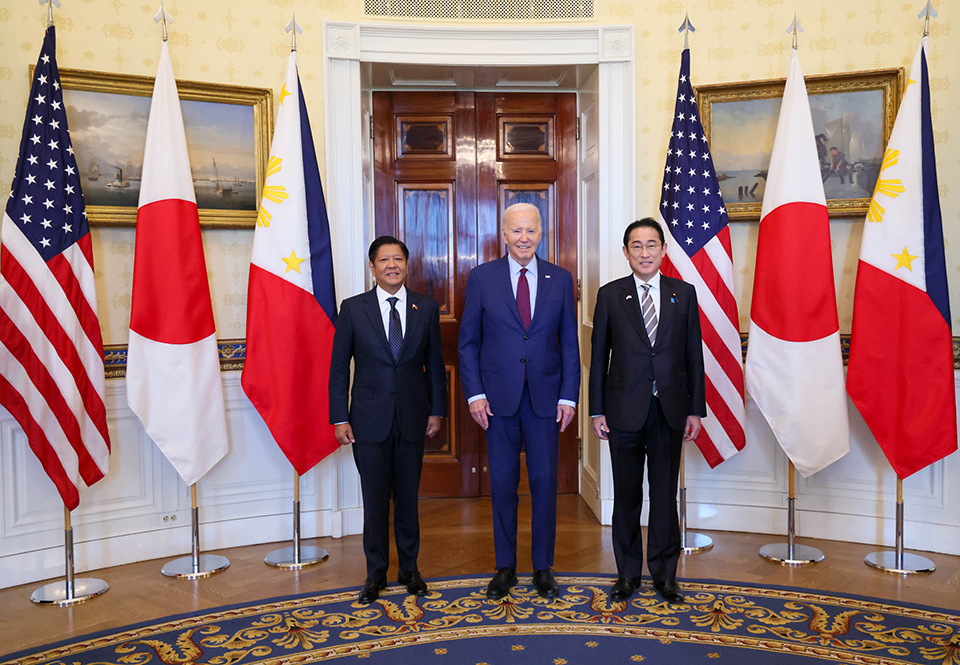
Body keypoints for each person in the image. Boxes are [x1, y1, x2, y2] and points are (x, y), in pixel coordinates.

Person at [458, 202, 580, 601]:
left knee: (545, 485)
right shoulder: (481, 278)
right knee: (503, 484)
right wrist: (475, 394)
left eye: (531, 231)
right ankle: (505, 567)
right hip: (497, 401)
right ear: (504, 234)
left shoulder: (560, 279)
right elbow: (468, 343)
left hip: (546, 400)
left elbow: (569, 345)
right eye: (517, 231)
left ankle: (543, 567)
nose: (524, 238)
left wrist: (569, 396)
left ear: (541, 234)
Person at [588, 218, 706, 605]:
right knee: (626, 496)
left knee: (663, 494)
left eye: (651, 244)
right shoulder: (609, 295)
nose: (644, 252)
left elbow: (693, 356)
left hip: (670, 411)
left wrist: (695, 410)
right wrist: (596, 411)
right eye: (636, 246)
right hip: (622, 411)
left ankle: (664, 574)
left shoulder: (683, 294)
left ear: (663, 250)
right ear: (625, 253)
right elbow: (598, 357)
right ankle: (626, 574)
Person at [329, 236, 447, 605]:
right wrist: (339, 417)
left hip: (412, 418)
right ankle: (375, 573)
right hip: (367, 420)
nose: (391, 265)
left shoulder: (425, 308)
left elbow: (435, 367)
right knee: (375, 499)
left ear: (407, 266)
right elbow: (337, 370)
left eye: (398, 259)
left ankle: (409, 570)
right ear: (372, 267)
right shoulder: (352, 309)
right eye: (384, 260)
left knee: (408, 499)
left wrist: (437, 410)